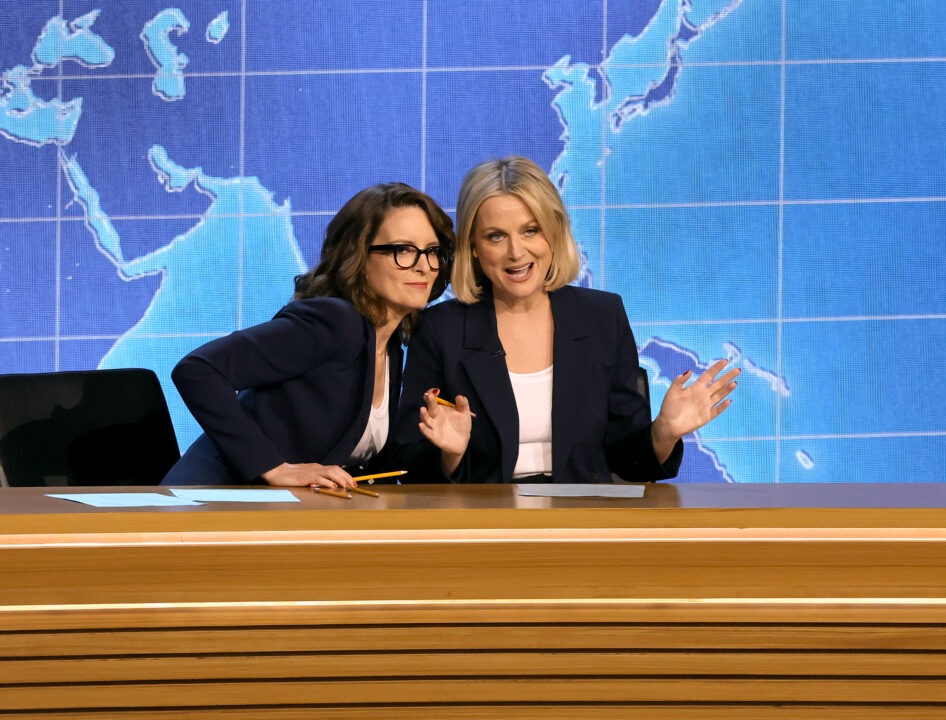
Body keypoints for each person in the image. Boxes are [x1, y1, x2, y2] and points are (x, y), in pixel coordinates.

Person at [390, 156, 738, 483]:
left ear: (554, 233)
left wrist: (664, 430)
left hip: (581, 522)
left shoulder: (603, 317)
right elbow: (408, 461)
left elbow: (626, 461)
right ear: (475, 248)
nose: (516, 251)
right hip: (485, 524)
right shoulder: (441, 329)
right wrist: (449, 454)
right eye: (496, 236)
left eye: (530, 230)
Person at [161, 182, 455, 487]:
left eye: (432, 251)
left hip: (288, 514)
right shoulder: (336, 322)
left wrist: (450, 452)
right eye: (404, 250)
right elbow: (198, 370)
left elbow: (368, 460)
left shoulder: (389, 344)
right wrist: (274, 468)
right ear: (358, 257)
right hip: (215, 501)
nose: (424, 266)